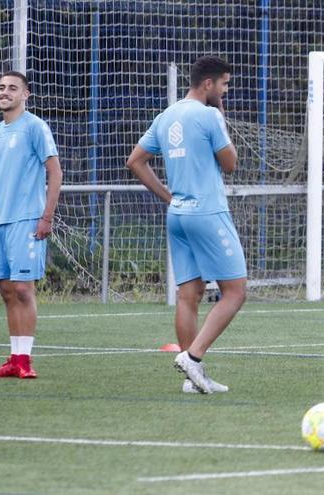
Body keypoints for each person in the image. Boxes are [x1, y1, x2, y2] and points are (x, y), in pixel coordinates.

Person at [127, 56, 247, 394]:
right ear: (208, 84)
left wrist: (169, 197)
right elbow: (231, 163)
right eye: (223, 84)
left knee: (188, 294)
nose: (225, 91)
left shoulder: (167, 116)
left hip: (178, 214)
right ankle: (193, 358)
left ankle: (192, 379)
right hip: (207, 212)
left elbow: (134, 161)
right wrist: (219, 110)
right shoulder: (209, 115)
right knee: (235, 291)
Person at [0, 71, 63, 379]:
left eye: (12, 88)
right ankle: (14, 358)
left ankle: (25, 360)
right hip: (1, 223)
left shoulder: (35, 127)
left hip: (27, 219)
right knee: (7, 290)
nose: (4, 92)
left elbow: (55, 172)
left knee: (23, 288)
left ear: (25, 95)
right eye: (0, 88)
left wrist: (46, 216)